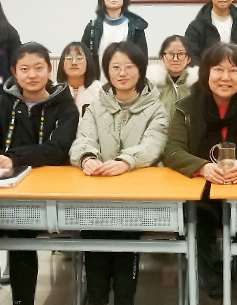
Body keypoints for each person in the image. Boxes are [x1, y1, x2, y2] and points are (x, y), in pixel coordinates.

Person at [0, 42, 79, 305]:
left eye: (39, 68)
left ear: (49, 70)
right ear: (14, 72)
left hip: (41, 194)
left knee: (22, 241)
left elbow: (58, 149)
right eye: (24, 69)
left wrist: (14, 158)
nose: (32, 75)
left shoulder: (64, 107)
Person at [163, 42, 237, 305]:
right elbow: (172, 152)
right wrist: (202, 167)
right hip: (201, 194)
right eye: (218, 69)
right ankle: (215, 282)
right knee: (198, 221)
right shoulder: (186, 108)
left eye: (234, 70)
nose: (226, 77)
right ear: (206, 72)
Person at [69, 41, 167, 305]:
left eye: (129, 66)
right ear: (107, 71)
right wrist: (87, 158)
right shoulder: (96, 106)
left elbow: (153, 145)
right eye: (115, 67)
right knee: (95, 259)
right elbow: (83, 139)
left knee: (125, 262)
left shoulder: (156, 108)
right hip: (96, 197)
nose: (122, 73)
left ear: (141, 69)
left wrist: (126, 161)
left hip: (134, 200)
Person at [82, 0, 148, 77]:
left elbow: (142, 60)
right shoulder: (92, 27)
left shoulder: (135, 26)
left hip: (127, 81)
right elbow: (84, 57)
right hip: (98, 83)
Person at [146, 34, 198, 122]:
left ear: (188, 58)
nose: (175, 59)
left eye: (181, 54)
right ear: (162, 57)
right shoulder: (151, 84)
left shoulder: (196, 85)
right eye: (170, 54)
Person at [56, 41, 102, 119]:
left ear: (88, 62)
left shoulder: (100, 91)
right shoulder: (53, 92)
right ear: (62, 63)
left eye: (79, 58)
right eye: (69, 58)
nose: (74, 62)